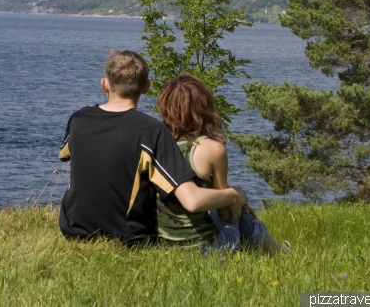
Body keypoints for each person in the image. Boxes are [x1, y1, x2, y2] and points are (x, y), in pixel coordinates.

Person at [58, 50, 247, 244]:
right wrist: (233, 194)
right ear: (147, 87)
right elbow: (192, 200)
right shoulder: (151, 130)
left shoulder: (78, 119)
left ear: (104, 84)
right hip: (127, 236)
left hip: (73, 231)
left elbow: (67, 155)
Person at [156, 74, 280, 252]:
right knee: (242, 216)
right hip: (204, 248)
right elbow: (226, 214)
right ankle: (280, 255)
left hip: (165, 244)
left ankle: (278, 254)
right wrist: (239, 196)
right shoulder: (212, 149)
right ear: (204, 107)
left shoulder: (158, 145)